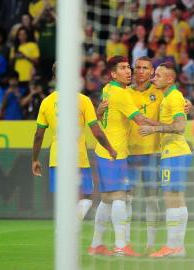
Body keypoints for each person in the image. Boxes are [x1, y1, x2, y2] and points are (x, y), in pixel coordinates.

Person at [88, 56, 161, 257]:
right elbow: (140, 120)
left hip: (106, 150)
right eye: (123, 68)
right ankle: (121, 246)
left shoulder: (108, 89)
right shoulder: (120, 94)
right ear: (113, 74)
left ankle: (96, 244)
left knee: (107, 199)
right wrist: (168, 127)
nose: (128, 71)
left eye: (129, 67)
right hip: (114, 152)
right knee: (120, 197)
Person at [31, 63, 117, 222]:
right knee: (86, 198)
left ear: (55, 78)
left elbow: (38, 135)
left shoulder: (47, 102)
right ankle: (71, 225)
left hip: (57, 158)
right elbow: (96, 131)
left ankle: (64, 229)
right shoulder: (83, 100)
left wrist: (35, 159)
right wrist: (110, 148)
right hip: (78, 158)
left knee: (63, 201)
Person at [139, 62, 192, 258]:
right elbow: (169, 123)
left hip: (175, 152)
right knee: (178, 199)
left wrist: (153, 129)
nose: (154, 78)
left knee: (171, 198)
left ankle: (172, 246)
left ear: (170, 79)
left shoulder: (175, 97)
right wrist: (149, 121)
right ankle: (179, 247)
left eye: (158, 76)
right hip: (175, 152)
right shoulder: (169, 96)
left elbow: (180, 126)